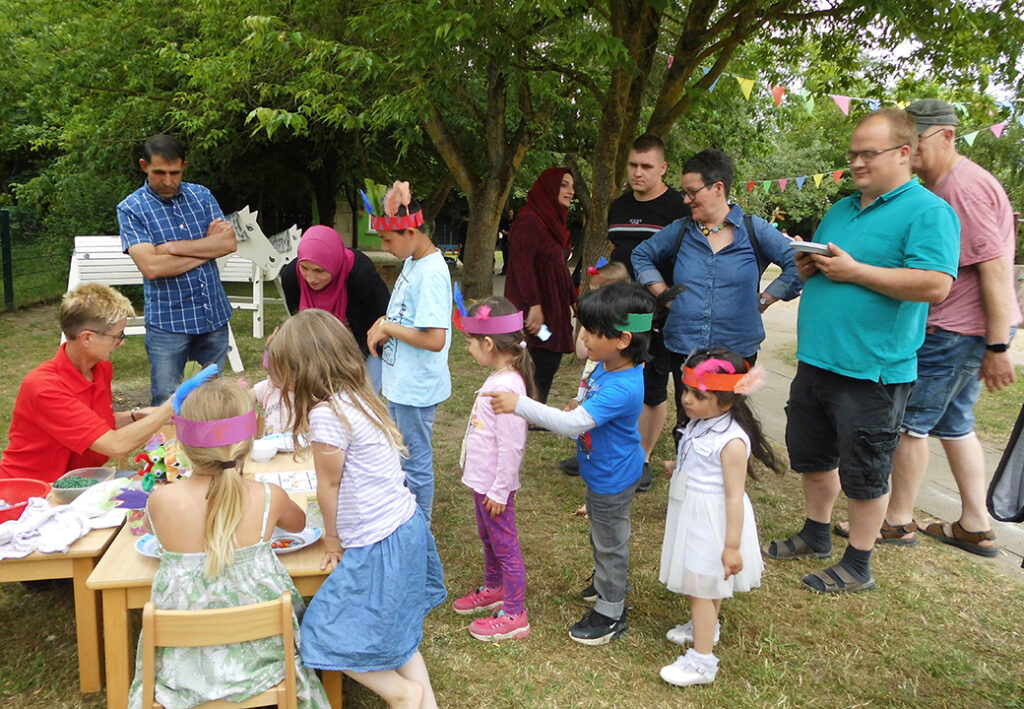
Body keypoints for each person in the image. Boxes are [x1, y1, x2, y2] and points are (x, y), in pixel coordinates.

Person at [765, 108, 961, 593]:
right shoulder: (842, 208)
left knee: (865, 469)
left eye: (867, 154)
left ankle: (859, 563)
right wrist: (811, 267)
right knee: (812, 456)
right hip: (818, 359)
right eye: (852, 154)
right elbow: (832, 266)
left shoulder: (929, 211)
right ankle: (815, 534)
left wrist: (855, 272)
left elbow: (936, 284)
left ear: (903, 153)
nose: (855, 163)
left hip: (873, 370)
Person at [835, 100, 1021, 555]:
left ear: (948, 137)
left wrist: (998, 344)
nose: (911, 149)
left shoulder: (962, 189)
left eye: (919, 138)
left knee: (909, 426)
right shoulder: (946, 185)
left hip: (955, 332)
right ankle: (975, 524)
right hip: (964, 331)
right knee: (955, 424)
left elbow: (997, 269)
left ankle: (896, 520)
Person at [268, 309, 445, 708]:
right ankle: (423, 702)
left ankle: (402, 693)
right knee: (399, 635)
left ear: (304, 369)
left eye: (286, 371)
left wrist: (332, 540)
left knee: (322, 631)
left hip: (377, 540)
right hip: (404, 527)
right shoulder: (357, 396)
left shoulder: (326, 413)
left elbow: (328, 485)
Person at [128, 378, 330, 708]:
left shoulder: (161, 501)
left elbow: (149, 528)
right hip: (266, 668)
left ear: (183, 443)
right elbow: (299, 524)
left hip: (181, 675)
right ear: (249, 440)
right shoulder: (268, 496)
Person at [486, 282, 654, 645]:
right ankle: (605, 583)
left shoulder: (622, 385)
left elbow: (571, 427)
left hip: (614, 477)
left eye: (593, 332)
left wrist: (521, 405)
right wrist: (580, 407)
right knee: (602, 535)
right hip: (601, 472)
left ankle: (611, 610)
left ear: (623, 339)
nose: (584, 338)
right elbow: (585, 412)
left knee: (610, 542)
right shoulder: (609, 366)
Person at [632, 148, 802, 436]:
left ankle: (728, 480)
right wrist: (664, 294)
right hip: (685, 347)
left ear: (718, 188)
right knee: (688, 423)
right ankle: (687, 476)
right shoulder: (681, 230)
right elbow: (641, 255)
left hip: (737, 351)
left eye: (691, 192)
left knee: (731, 428)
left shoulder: (754, 229)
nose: (686, 200)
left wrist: (766, 298)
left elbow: (796, 264)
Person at [560, 135, 689, 489]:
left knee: (650, 384)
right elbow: (616, 251)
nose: (638, 173)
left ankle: (641, 458)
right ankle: (593, 444)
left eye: (646, 166)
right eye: (633, 165)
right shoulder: (618, 206)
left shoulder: (678, 206)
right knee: (602, 371)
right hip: (615, 309)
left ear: (663, 168)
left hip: (653, 312)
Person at [658, 348, 783, 687]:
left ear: (727, 402)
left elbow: (733, 496)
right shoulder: (702, 422)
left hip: (712, 520)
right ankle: (706, 626)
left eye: (698, 395)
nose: (687, 400)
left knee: (701, 585)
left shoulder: (732, 442)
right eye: (686, 391)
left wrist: (731, 547)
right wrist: (678, 467)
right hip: (691, 510)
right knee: (701, 580)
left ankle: (702, 663)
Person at [0, 284, 179, 483]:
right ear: (87, 338)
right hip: (37, 490)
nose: (121, 342)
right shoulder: (44, 387)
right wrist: (171, 406)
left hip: (79, 482)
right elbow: (115, 446)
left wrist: (134, 416)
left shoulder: (100, 368)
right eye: (118, 335)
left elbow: (90, 423)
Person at [117, 134, 238, 406]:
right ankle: (169, 449)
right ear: (143, 166)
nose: (168, 181)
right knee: (167, 400)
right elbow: (151, 267)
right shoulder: (131, 209)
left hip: (213, 316)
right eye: (159, 173)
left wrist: (171, 247)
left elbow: (229, 243)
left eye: (175, 172)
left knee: (212, 399)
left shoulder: (202, 196)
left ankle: (206, 448)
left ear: (184, 165)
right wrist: (207, 249)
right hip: (169, 323)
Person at [365, 181, 452, 527]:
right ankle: (406, 515)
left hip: (416, 388)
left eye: (388, 240)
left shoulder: (430, 273)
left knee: (415, 459)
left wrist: (387, 328)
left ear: (412, 232)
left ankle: (420, 527)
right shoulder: (414, 262)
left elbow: (434, 339)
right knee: (403, 453)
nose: (385, 248)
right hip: (403, 381)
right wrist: (385, 322)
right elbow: (406, 316)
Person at [451, 296, 534, 642]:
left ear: (488, 343)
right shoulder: (499, 378)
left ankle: (515, 612)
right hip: (483, 483)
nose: (469, 350)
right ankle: (494, 587)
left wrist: (500, 490)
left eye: (470, 343)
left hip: (494, 488)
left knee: (505, 545)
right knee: (489, 538)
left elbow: (512, 445)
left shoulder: (508, 387)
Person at [279, 224, 391, 392]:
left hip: (365, 344)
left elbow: (382, 317)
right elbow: (300, 324)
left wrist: (347, 365)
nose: (310, 278)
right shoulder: (291, 277)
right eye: (304, 268)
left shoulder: (360, 274)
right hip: (318, 348)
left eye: (319, 271)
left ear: (334, 263)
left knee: (361, 401)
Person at [504, 167, 577, 404]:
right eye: (564, 185)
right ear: (549, 187)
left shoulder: (552, 224)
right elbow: (521, 268)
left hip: (552, 312)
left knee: (549, 355)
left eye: (572, 186)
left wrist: (573, 301)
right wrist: (534, 306)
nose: (571, 191)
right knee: (539, 355)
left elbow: (559, 270)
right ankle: (528, 411)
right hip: (534, 316)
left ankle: (533, 409)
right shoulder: (528, 222)